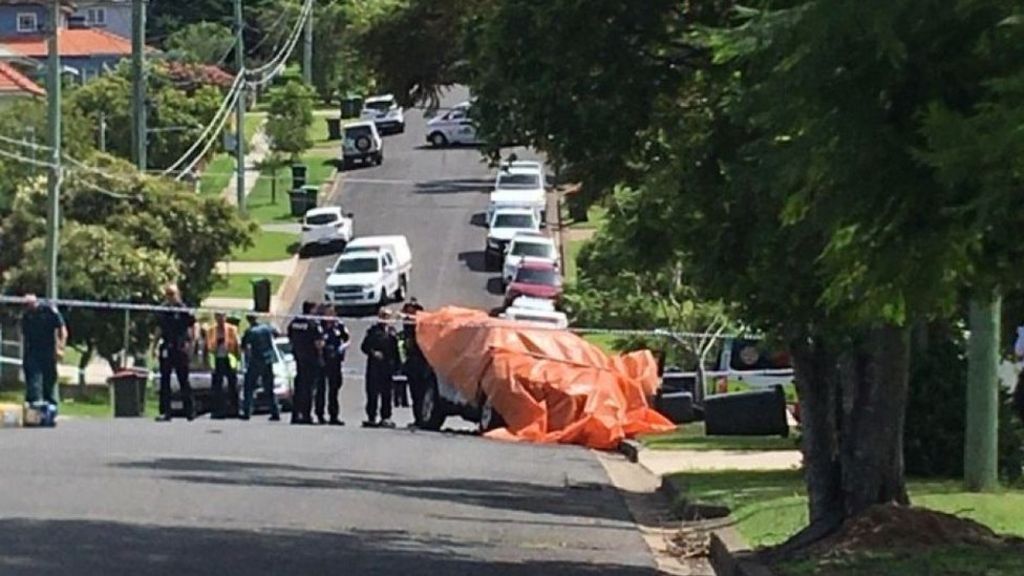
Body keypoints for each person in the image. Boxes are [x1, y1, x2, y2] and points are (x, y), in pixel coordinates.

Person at [156, 284, 196, 422]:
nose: (170, 297)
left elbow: (192, 326)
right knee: (165, 381)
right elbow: (159, 329)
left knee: (183, 379)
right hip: (167, 346)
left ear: (178, 294)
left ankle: (190, 411)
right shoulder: (163, 310)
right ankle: (165, 412)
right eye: (168, 294)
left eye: (172, 294)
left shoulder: (183, 309)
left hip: (180, 348)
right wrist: (155, 345)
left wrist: (191, 345)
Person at [20, 293, 67, 408]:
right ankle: (33, 408)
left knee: (49, 381)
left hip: (48, 350)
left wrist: (60, 348)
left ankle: (49, 409)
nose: (28, 307)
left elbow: (62, 330)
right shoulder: (26, 316)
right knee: (33, 382)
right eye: (26, 305)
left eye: (29, 305)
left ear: (36, 302)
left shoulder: (49, 311)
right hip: (32, 351)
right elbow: (24, 336)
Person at [361, 307, 400, 428]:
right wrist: (373, 353)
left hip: (387, 367)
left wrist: (398, 366)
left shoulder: (392, 332)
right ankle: (371, 417)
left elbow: (397, 351)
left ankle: (386, 417)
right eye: (383, 316)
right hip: (374, 367)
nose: (385, 319)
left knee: (387, 394)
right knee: (372, 392)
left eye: (387, 316)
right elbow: (364, 347)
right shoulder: (373, 331)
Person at [288, 301, 324, 425]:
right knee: (309, 389)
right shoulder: (313, 324)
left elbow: (290, 337)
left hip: (299, 358)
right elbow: (318, 343)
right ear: (312, 310)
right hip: (311, 360)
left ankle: (295, 414)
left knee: (299, 387)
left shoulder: (295, 322)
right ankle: (306, 415)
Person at [240, 313, 280, 421]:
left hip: (256, 360)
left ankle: (247, 411)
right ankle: (275, 411)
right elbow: (277, 333)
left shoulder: (250, 332)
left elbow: (244, 347)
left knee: (249, 387)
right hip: (268, 360)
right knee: (269, 387)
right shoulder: (267, 328)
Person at [204, 311, 241, 419]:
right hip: (217, 359)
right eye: (218, 317)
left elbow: (237, 344)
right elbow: (208, 346)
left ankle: (234, 409)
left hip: (229, 359)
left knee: (232, 385)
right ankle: (217, 410)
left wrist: (238, 357)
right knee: (217, 387)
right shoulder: (211, 330)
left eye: (222, 317)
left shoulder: (231, 329)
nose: (220, 319)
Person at [318, 305, 350, 426]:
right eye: (327, 313)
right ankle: (320, 414)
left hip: (335, 361)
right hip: (322, 361)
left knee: (334, 389)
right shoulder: (320, 326)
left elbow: (347, 339)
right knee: (321, 389)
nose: (330, 315)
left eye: (332, 313)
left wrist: (342, 348)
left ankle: (334, 415)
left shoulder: (339, 326)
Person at [401, 298, 428, 427]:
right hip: (412, 365)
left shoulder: (422, 330)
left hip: (422, 366)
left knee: (421, 394)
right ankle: (418, 419)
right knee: (415, 395)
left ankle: (422, 419)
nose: (408, 316)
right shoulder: (406, 331)